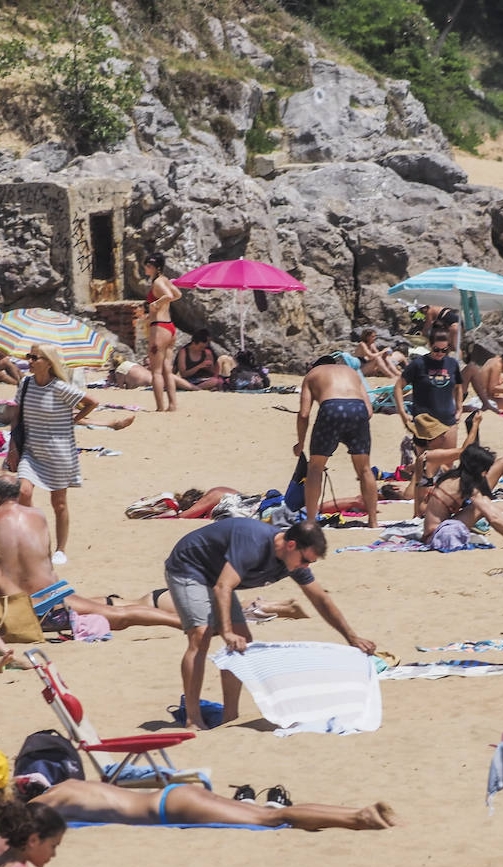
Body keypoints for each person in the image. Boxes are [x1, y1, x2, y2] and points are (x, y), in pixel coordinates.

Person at [163, 518, 376, 730]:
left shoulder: (294, 558)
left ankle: (229, 717)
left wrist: (351, 637)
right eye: (305, 560)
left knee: (243, 641)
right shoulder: (253, 543)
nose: (305, 567)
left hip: (218, 574)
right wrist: (226, 632)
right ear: (291, 545)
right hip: (189, 566)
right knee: (201, 635)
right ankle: (193, 719)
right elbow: (222, 587)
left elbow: (320, 599)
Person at [0, 478, 178, 627]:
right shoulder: (38, 516)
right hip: (54, 591)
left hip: (37, 603)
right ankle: (171, 613)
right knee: (112, 610)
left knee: (119, 617)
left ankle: (181, 622)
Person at [21, 773, 398, 832]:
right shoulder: (69, 784)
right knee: (268, 812)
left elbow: (18, 826)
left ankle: (357, 818)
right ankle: (354, 812)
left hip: (172, 809)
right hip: (174, 794)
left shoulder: (52, 804)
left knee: (272, 818)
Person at [3, 344, 98, 565]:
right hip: (31, 450)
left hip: (59, 452)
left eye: (35, 357)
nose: (30, 361)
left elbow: (92, 402)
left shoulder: (60, 388)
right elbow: (16, 417)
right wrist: (12, 448)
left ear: (48, 362)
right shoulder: (25, 384)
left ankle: (60, 549)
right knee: (23, 492)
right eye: (29, 356)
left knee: (59, 503)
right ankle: (31, 540)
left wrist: (72, 420)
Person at [296, 354, 378, 527]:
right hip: (358, 410)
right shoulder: (351, 372)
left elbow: (304, 414)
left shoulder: (312, 375)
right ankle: (373, 521)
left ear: (315, 367)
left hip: (331, 409)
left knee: (315, 468)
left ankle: (310, 521)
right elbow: (369, 411)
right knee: (364, 469)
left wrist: (301, 443)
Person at [421, 444, 503, 548]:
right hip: (438, 536)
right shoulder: (464, 484)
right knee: (481, 507)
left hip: (434, 533)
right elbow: (493, 517)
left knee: (483, 505)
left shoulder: (452, 477)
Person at [395, 325, 463, 450]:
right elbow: (398, 387)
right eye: (436, 349)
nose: (440, 353)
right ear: (430, 345)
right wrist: (402, 413)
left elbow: (458, 387)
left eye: (444, 350)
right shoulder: (418, 364)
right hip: (425, 423)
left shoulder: (452, 364)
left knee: (448, 464)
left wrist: (459, 409)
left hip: (448, 420)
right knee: (424, 464)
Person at [142, 253, 182, 412]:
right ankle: (172, 405)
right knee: (167, 369)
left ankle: (160, 407)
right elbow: (178, 295)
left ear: (157, 267)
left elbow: (170, 295)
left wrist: (156, 304)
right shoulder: (165, 280)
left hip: (159, 328)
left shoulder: (158, 282)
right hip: (170, 327)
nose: (146, 268)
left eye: (149, 265)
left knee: (156, 371)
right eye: (146, 265)